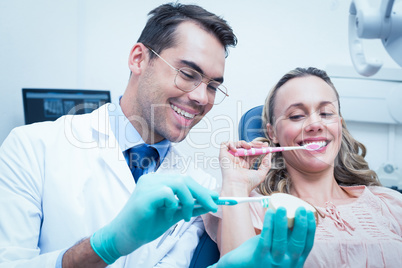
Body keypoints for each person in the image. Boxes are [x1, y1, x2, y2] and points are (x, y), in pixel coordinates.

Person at [0, 3, 238, 267]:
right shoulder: (31, 147)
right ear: (139, 59)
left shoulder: (198, 186)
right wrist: (105, 246)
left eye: (213, 86)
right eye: (188, 74)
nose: (201, 97)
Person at [211, 67, 402, 267]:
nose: (315, 124)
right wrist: (236, 184)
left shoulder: (392, 204)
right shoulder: (251, 207)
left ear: (339, 125)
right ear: (273, 133)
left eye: (326, 113)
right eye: (296, 116)